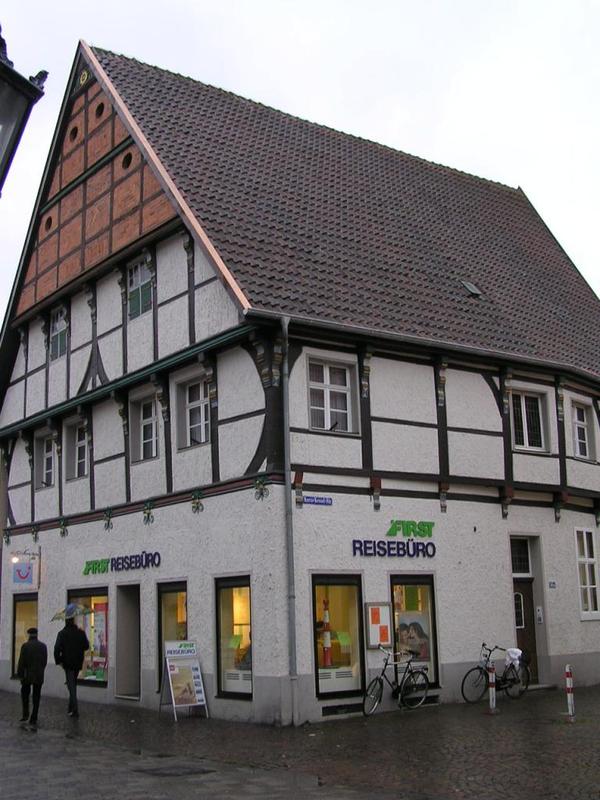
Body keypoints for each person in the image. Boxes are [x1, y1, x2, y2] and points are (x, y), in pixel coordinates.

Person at [53, 605, 90, 718]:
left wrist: (59, 661)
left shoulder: (62, 633)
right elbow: (86, 646)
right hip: (78, 662)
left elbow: (56, 649)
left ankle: (75, 709)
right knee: (72, 683)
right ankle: (71, 708)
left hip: (67, 663)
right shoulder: (80, 633)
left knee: (71, 685)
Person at [17, 627, 48, 728]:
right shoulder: (43, 646)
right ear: (37, 635)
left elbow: (21, 662)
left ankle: (25, 714)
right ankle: (34, 717)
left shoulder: (25, 646)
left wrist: (20, 675)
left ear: (29, 635)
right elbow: (44, 661)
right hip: (39, 674)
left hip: (27, 675)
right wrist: (41, 670)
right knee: (36, 696)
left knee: (25, 695)